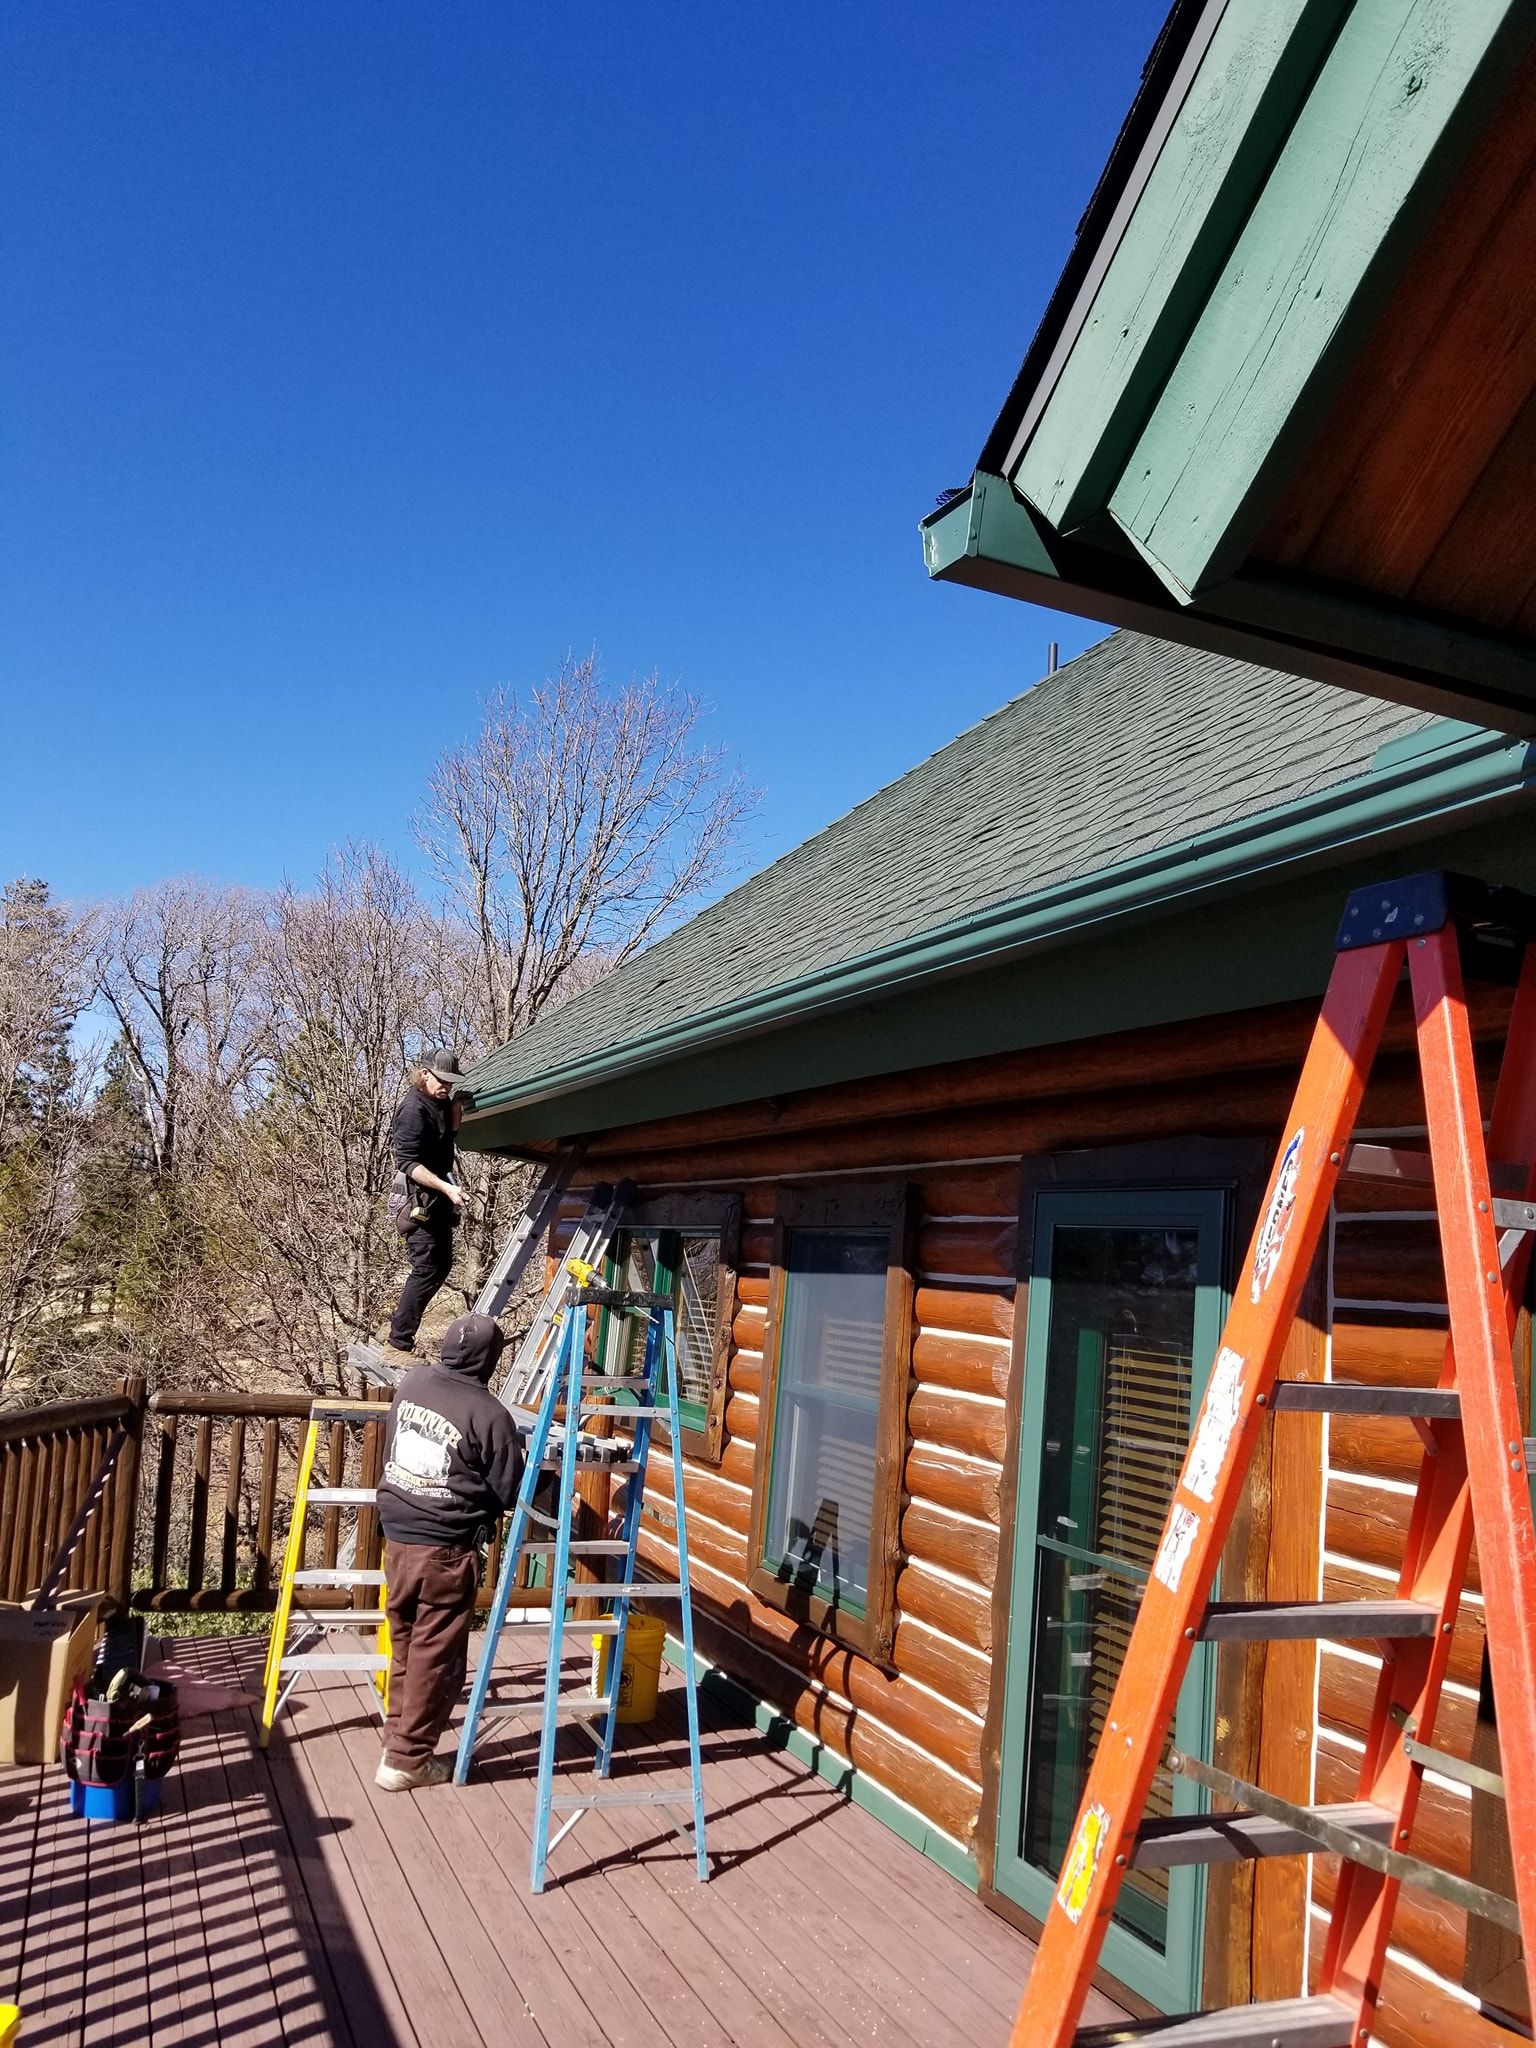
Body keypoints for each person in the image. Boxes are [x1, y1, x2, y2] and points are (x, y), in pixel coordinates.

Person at [374, 1311, 522, 1790]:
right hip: (444, 1548)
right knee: (434, 1655)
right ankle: (407, 1760)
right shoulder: (490, 1414)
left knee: (406, 1641)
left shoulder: (413, 1382)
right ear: (490, 1361)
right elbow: (508, 1490)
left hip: (397, 1536)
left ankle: (396, 1739)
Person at [385, 1050, 469, 1357]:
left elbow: (444, 1144)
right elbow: (409, 1163)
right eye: (441, 1080)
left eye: (451, 1082)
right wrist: (448, 1188)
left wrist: (455, 1114)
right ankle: (398, 1343)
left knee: (441, 1265)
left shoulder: (441, 1102)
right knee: (427, 1266)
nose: (446, 1086)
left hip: (438, 1200)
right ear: (424, 1074)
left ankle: (400, 1331)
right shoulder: (412, 1110)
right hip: (417, 1198)